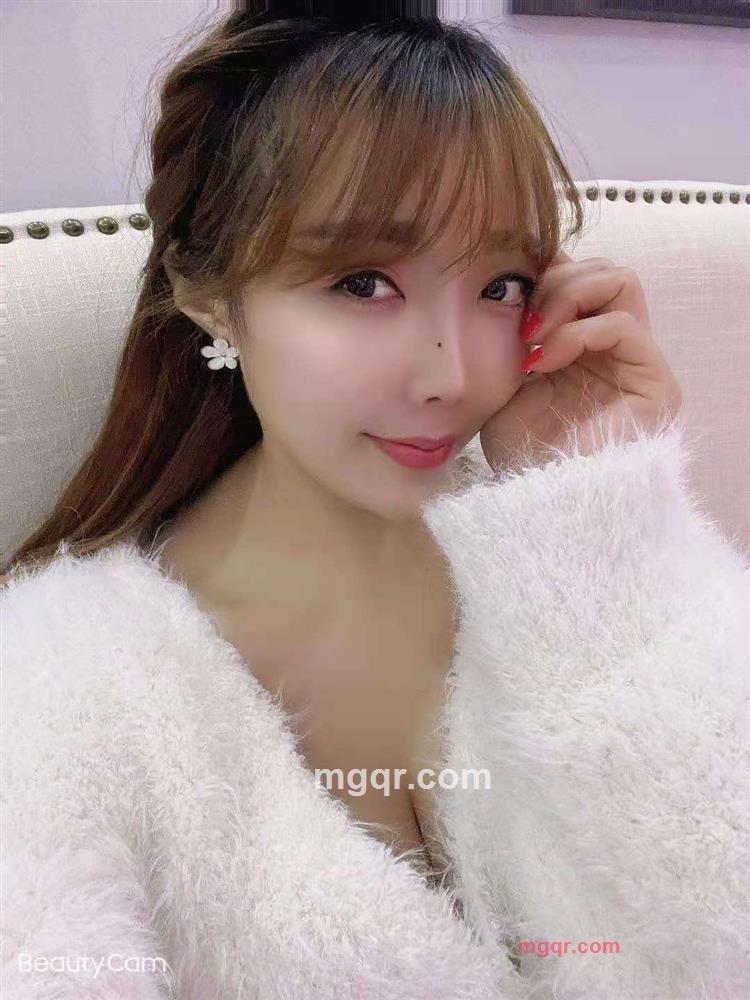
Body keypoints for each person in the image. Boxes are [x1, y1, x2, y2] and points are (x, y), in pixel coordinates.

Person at [2, 2, 748, 998]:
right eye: (362, 283)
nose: (451, 375)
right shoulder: (57, 692)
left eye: (501, 285)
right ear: (207, 293)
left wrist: (592, 503)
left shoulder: (580, 569)